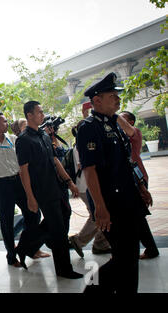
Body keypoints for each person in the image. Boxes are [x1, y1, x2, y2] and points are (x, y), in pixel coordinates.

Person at [78, 72, 153, 293]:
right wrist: (99, 207)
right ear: (97, 100)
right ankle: (91, 289)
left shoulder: (115, 125)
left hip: (129, 199)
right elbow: (89, 170)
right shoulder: (89, 127)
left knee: (129, 258)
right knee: (124, 258)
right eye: (113, 95)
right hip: (111, 203)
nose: (118, 99)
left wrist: (140, 187)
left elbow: (128, 162)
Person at [16, 101, 83, 279]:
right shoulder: (23, 140)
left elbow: (55, 160)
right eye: (39, 112)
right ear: (29, 115)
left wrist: (69, 182)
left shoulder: (44, 136)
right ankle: (63, 269)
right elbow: (23, 171)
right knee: (59, 230)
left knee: (64, 215)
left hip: (57, 187)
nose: (42, 115)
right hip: (42, 191)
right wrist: (30, 197)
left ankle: (25, 246)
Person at [0, 113, 47, 268]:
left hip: (19, 182)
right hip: (2, 185)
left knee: (34, 214)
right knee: (6, 222)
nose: (7, 123)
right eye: (4, 121)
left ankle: (27, 246)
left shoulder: (15, 140)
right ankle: (11, 256)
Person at [118, 111, 159, 260]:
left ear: (131, 122)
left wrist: (112, 113)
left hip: (138, 177)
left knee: (137, 217)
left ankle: (150, 249)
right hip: (128, 180)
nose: (119, 120)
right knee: (136, 217)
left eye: (124, 118)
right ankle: (149, 248)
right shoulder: (118, 135)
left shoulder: (134, 133)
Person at [68, 123, 112, 258]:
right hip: (86, 186)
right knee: (96, 215)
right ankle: (80, 241)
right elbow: (85, 166)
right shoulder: (81, 146)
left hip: (87, 186)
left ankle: (100, 243)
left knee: (98, 215)